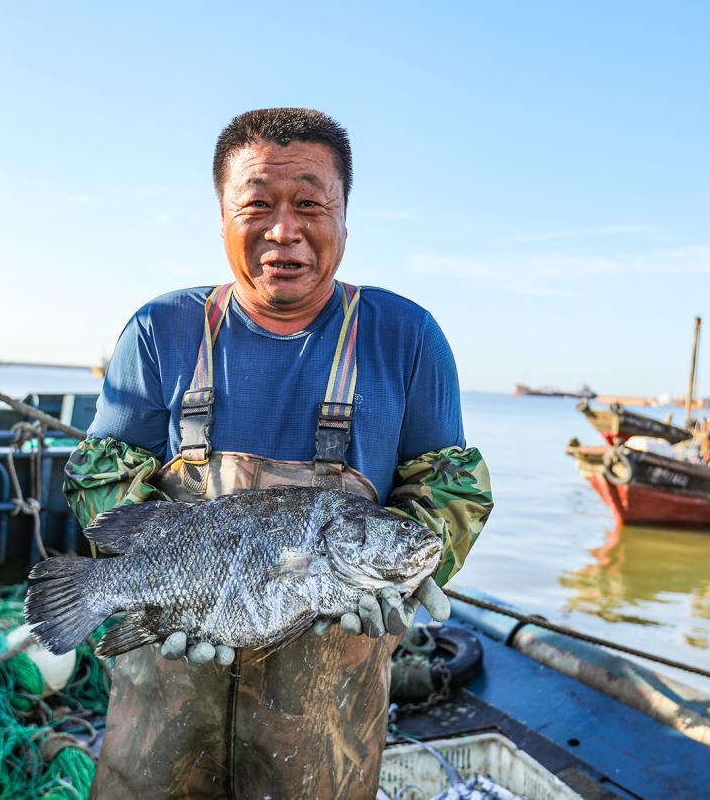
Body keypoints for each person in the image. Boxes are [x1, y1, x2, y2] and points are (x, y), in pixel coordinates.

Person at [64, 108, 493, 800]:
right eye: (257, 205)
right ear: (223, 218)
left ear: (345, 217)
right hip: (166, 676)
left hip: (328, 713)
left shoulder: (407, 337)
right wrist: (164, 586)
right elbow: (102, 473)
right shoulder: (158, 330)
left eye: (310, 205)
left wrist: (416, 568)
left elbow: (448, 488)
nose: (284, 230)